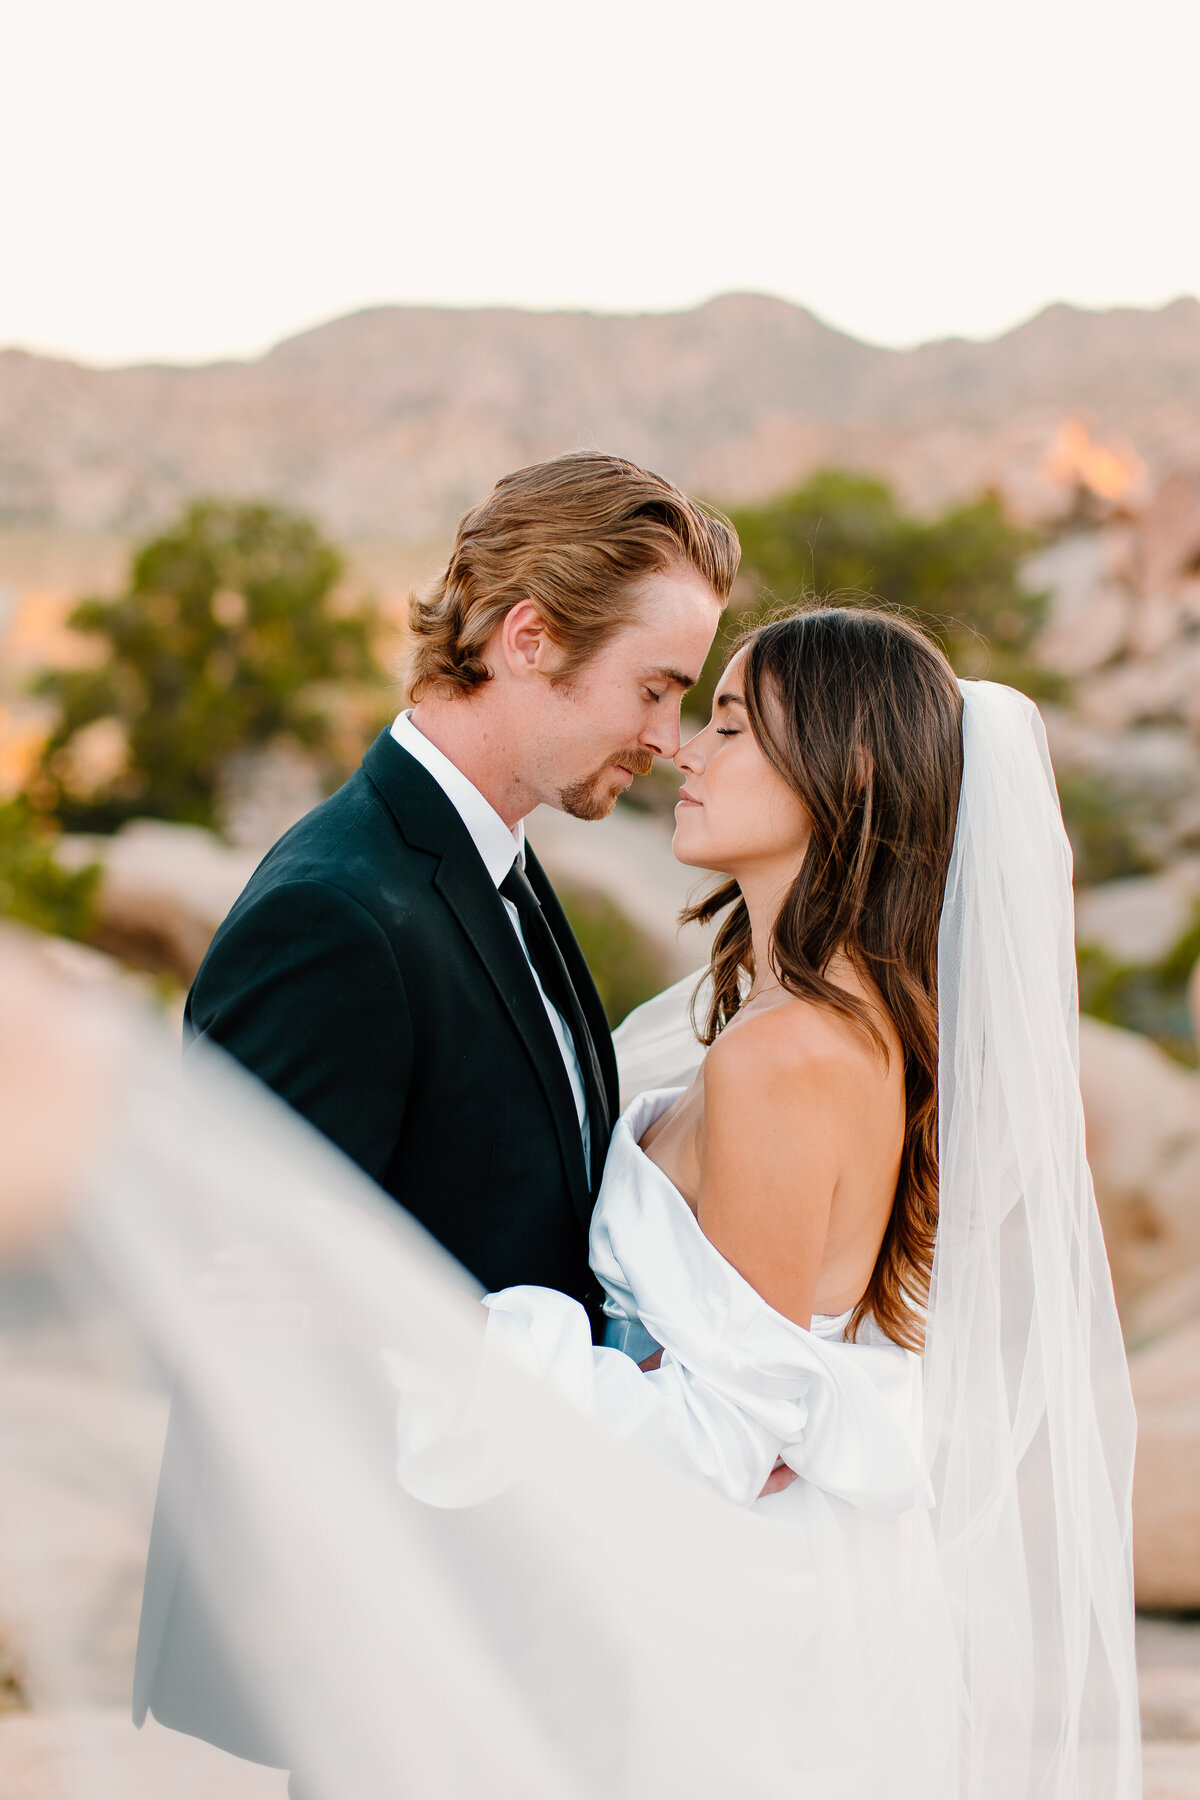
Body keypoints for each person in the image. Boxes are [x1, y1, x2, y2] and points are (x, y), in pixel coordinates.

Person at [181, 449, 736, 1326]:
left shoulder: (500, 861)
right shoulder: (333, 917)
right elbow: (254, 1321)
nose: (668, 739)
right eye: (653, 689)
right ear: (529, 639)